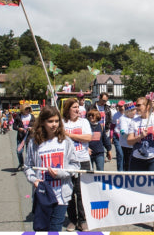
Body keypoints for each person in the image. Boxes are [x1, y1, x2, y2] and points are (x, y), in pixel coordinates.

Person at [24, 107, 79, 233]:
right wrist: (34, 180)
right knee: (42, 229)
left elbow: (75, 166)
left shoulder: (66, 141)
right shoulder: (34, 143)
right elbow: (28, 167)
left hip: (61, 195)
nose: (54, 125)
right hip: (43, 194)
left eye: (56, 121)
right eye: (50, 121)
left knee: (55, 229)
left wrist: (61, 173)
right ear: (42, 122)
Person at [61, 98, 92, 231]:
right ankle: (72, 219)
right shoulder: (62, 123)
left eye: (77, 107)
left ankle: (82, 220)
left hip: (83, 160)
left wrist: (70, 135)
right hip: (67, 162)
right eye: (74, 107)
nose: (77, 110)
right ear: (68, 109)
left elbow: (88, 137)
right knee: (70, 191)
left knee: (81, 192)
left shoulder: (84, 122)